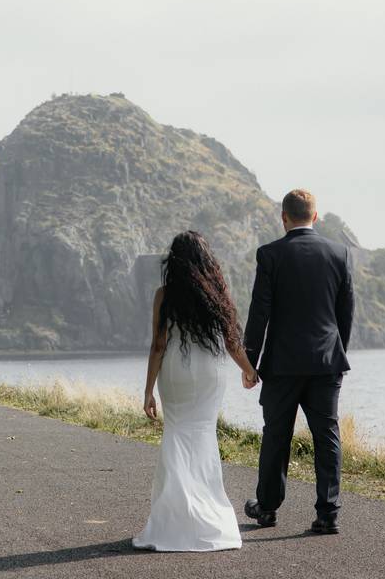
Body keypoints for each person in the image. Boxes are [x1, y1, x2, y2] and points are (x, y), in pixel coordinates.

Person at [132, 231, 259, 552]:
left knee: (176, 435)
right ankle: (209, 516)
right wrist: (248, 368)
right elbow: (232, 343)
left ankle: (174, 520)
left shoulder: (164, 295)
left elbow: (158, 345)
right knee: (203, 436)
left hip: (175, 372)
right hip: (209, 374)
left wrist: (148, 391)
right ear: (206, 261)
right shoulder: (218, 296)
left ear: (173, 262)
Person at [243, 189, 354, 535]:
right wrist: (337, 353)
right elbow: (345, 312)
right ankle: (328, 513)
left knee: (276, 435)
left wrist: (249, 362)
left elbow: (259, 312)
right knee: (327, 437)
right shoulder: (339, 253)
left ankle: (267, 508)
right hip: (326, 361)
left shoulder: (270, 254)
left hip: (282, 364)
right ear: (315, 216)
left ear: (284, 217)